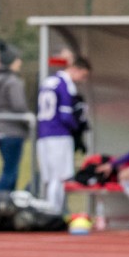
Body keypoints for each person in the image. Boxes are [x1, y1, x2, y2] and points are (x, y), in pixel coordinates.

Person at [35, 56, 91, 213]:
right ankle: (54, 212)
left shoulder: (48, 81)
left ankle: (46, 210)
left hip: (43, 133)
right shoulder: (66, 84)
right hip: (59, 134)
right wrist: (77, 128)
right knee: (58, 178)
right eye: (83, 75)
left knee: (48, 178)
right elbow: (66, 116)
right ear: (75, 69)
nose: (82, 80)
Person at [0, 44, 27, 192]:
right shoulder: (13, 81)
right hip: (12, 131)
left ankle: (6, 205)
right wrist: (29, 123)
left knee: (8, 169)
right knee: (10, 172)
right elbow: (19, 106)